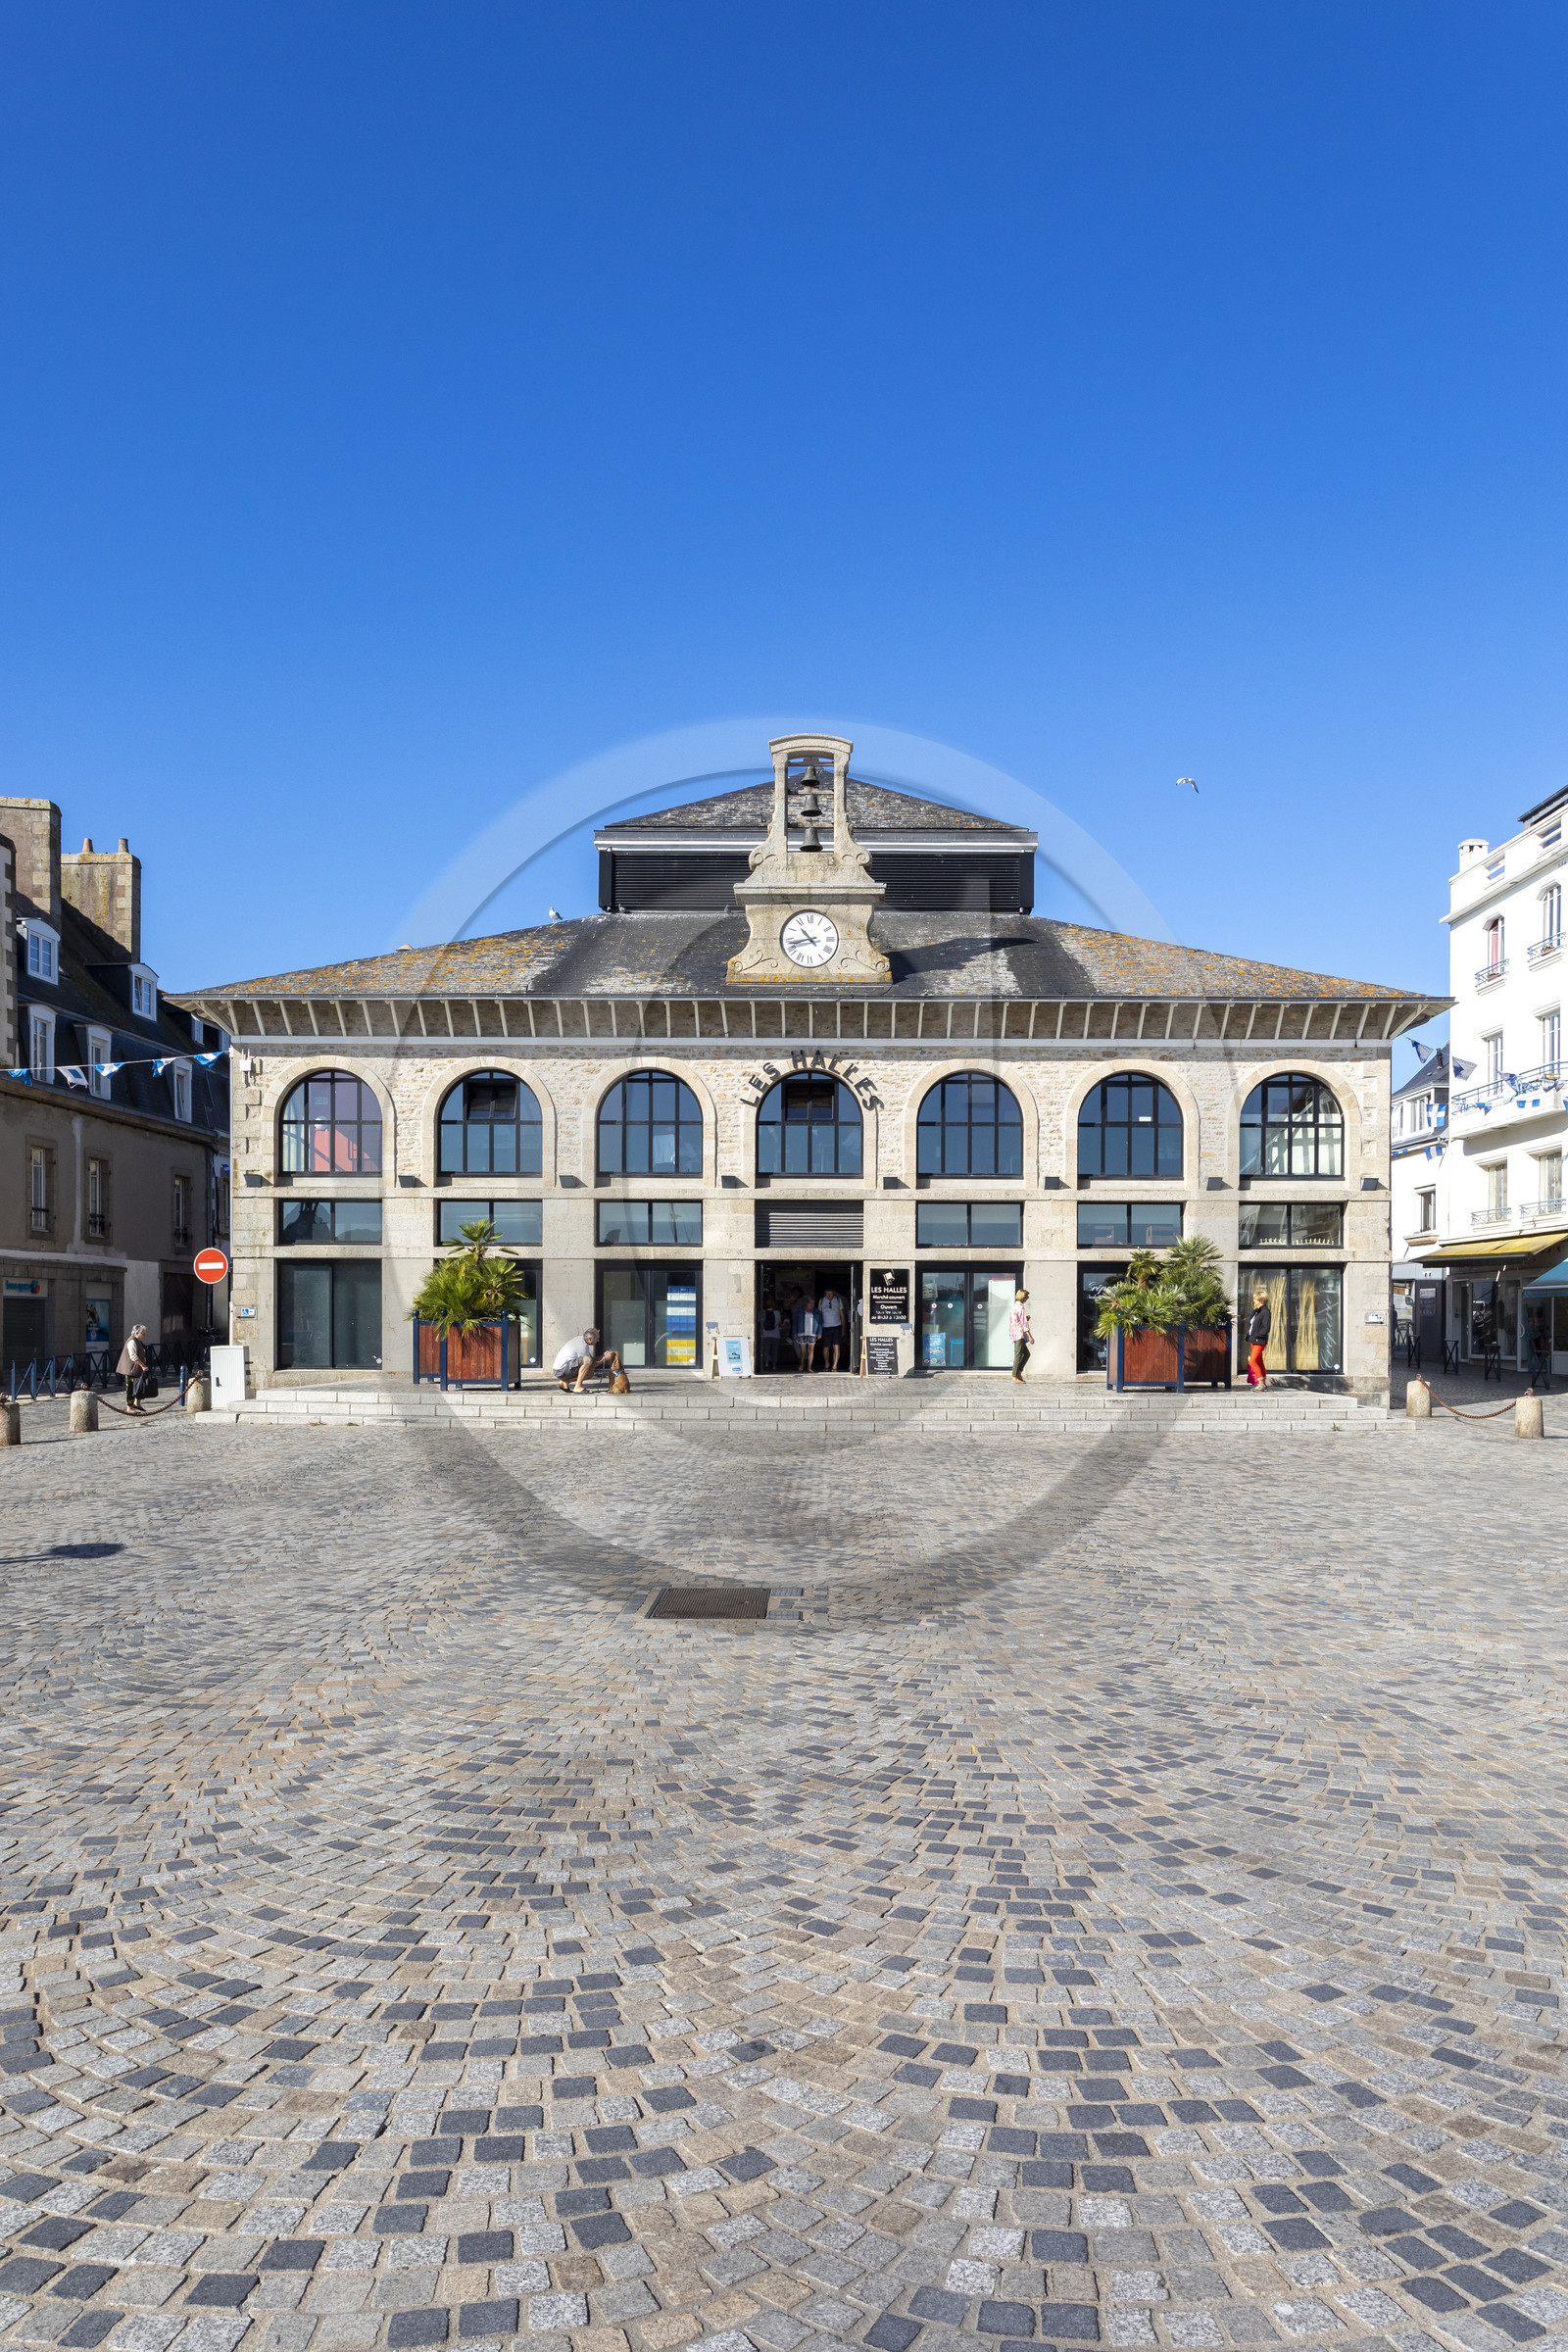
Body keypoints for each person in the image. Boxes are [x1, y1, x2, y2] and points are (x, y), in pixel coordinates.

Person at [553, 1326, 621, 1394]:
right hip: (561, 1370)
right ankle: (578, 1387)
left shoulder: (582, 1340)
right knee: (587, 1361)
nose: (598, 1340)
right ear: (589, 1339)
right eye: (596, 1338)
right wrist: (605, 1358)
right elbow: (591, 1363)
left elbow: (591, 1361)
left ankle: (565, 1382)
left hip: (562, 1369)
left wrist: (603, 1355)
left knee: (590, 1373)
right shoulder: (581, 1345)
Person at [116, 1324, 149, 1414]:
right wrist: (143, 1366)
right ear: (136, 1333)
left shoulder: (138, 1341)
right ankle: (129, 1407)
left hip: (137, 1370)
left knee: (140, 1386)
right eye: (143, 1333)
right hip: (131, 1369)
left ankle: (137, 1403)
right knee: (130, 1388)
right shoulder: (132, 1341)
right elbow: (133, 1356)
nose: (144, 1335)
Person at [1247, 1290, 1271, 1388]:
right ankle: (1263, 1383)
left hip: (1259, 1340)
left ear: (1261, 1300)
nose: (1254, 1301)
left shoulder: (1265, 1312)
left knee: (1252, 1362)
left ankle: (1260, 1383)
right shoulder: (1257, 1312)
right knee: (1259, 1362)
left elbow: (1266, 1327)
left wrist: (1257, 1335)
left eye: (1255, 1299)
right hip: (1253, 1340)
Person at [1008, 1289, 1034, 1384]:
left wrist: (1025, 1319)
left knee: (1026, 1354)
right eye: (1027, 1297)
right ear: (1023, 1297)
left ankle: (1019, 1372)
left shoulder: (1013, 1306)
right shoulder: (1021, 1307)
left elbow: (1015, 1320)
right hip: (1019, 1334)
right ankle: (1015, 1375)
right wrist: (1030, 1336)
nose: (1027, 1299)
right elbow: (1024, 1324)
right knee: (1018, 1355)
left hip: (1014, 1333)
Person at [818, 1285, 845, 1372]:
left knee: (836, 1346)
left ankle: (835, 1365)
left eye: (830, 1294)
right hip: (825, 1327)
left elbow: (842, 1315)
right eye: (826, 1294)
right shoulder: (822, 1301)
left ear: (833, 1293)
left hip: (836, 1326)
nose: (828, 1296)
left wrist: (843, 1329)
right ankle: (827, 1363)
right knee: (826, 1347)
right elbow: (819, 1315)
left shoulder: (838, 1300)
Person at [794, 1293, 819, 1373]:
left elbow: (820, 1322)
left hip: (812, 1332)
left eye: (813, 1304)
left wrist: (819, 1332)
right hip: (802, 1332)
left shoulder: (817, 1312)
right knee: (803, 1351)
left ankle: (809, 1367)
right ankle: (801, 1364)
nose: (812, 1305)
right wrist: (794, 1332)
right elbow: (795, 1322)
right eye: (810, 1303)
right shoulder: (800, 1311)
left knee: (811, 1350)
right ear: (806, 1304)